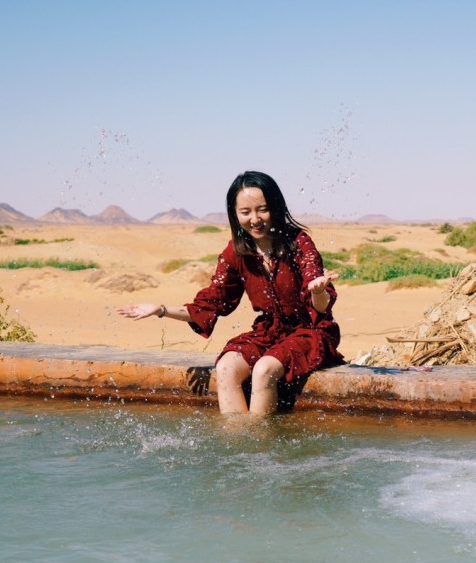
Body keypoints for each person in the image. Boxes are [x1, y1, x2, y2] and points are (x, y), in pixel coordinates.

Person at [118, 171, 343, 414]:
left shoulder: (298, 242)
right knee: (226, 367)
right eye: (246, 212)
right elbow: (211, 304)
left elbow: (320, 306)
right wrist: (160, 310)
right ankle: (237, 445)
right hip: (268, 333)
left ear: (276, 208)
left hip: (310, 332)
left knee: (264, 369)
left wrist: (318, 291)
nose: (255, 219)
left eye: (262, 210)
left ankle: (259, 444)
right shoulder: (236, 252)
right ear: (235, 215)